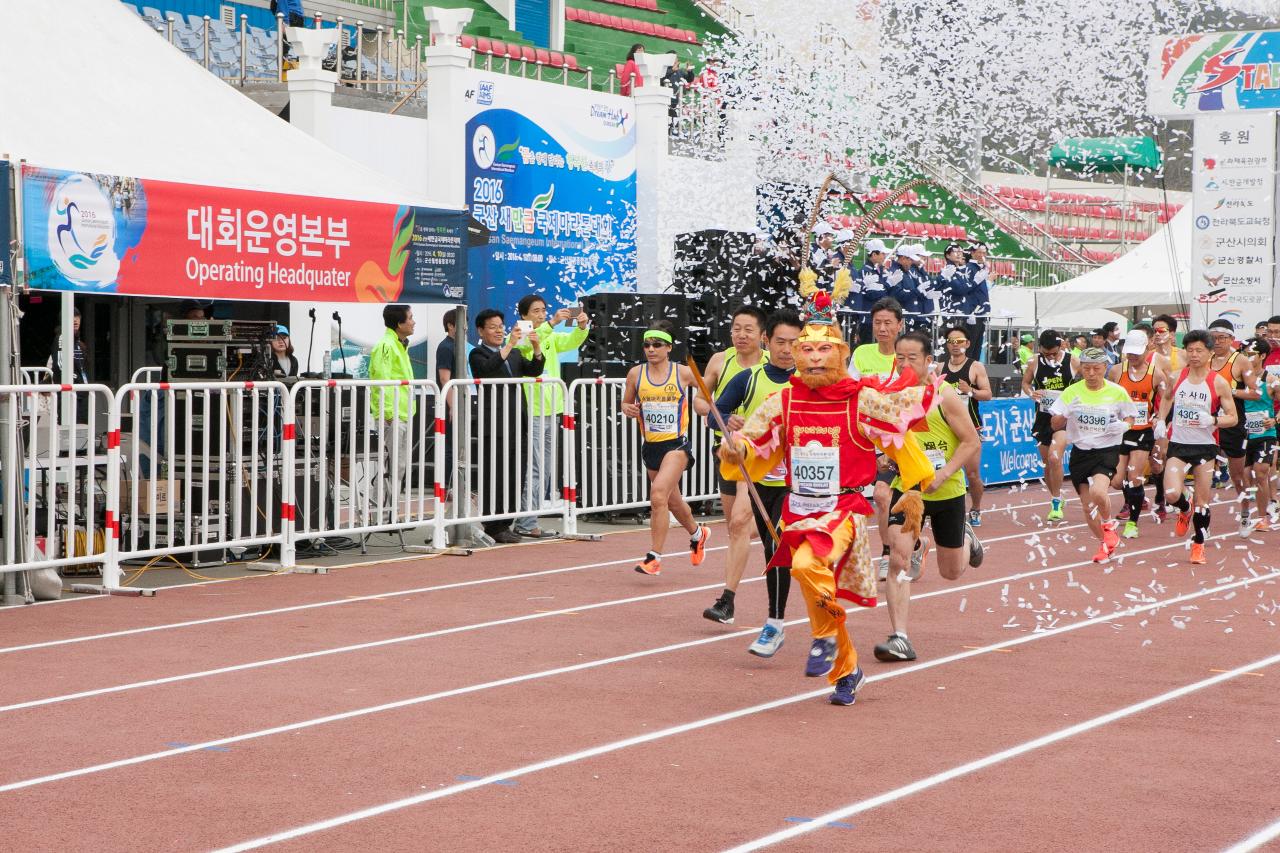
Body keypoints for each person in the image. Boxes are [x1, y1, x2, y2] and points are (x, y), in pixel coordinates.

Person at [719, 272, 940, 705]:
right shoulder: (784, 399)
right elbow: (755, 438)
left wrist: (913, 490)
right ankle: (848, 668)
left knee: (804, 567)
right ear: (796, 355)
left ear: (839, 354)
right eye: (808, 350)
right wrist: (736, 449)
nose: (815, 359)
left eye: (824, 350)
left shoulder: (860, 399)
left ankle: (824, 643)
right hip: (797, 510)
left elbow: (903, 436)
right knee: (815, 590)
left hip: (844, 509)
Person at [874, 331, 984, 663]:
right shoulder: (890, 396)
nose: (906, 364)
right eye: (900, 358)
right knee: (898, 559)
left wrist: (944, 473)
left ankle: (965, 538)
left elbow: (970, 442)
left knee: (951, 571)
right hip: (908, 490)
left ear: (927, 361)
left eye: (913, 358)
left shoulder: (943, 395)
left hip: (946, 489)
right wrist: (885, 458)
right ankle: (900, 637)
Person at [707, 310, 803, 657]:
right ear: (768, 342)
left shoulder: (812, 383)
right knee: (774, 549)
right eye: (781, 342)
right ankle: (775, 623)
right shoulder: (748, 379)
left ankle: (784, 622)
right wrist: (727, 422)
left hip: (803, 483)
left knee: (788, 546)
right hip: (763, 480)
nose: (788, 349)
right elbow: (714, 413)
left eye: (795, 343)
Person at [621, 321, 711, 575]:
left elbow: (709, 389)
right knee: (673, 502)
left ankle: (654, 557)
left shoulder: (682, 373)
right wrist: (627, 409)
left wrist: (711, 408)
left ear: (669, 347)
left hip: (677, 445)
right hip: (651, 446)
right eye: (647, 345)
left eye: (657, 345)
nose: (651, 349)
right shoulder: (635, 374)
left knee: (658, 494)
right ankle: (698, 533)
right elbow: (626, 404)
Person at [697, 306, 767, 622]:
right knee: (735, 526)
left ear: (762, 335)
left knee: (740, 524)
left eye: (748, 329)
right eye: (736, 328)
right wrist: (724, 416)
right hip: (728, 456)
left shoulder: (774, 365)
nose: (741, 335)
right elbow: (702, 400)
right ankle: (773, 526)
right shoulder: (719, 361)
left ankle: (727, 600)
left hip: (767, 458)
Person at [1154, 329, 1238, 564]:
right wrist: (1161, 419)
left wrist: (1213, 420)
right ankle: (1184, 506)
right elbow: (1168, 397)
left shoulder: (1218, 382)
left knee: (1203, 501)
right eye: (1190, 350)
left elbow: (1233, 417)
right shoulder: (1176, 376)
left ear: (1210, 353)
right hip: (1179, 444)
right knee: (1171, 493)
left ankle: (1198, 545)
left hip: (1205, 447)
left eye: (1199, 350)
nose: (1193, 355)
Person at [510, 295, 591, 539]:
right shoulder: (519, 332)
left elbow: (570, 342)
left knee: (544, 467)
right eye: (536, 311)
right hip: (532, 410)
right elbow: (525, 347)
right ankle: (526, 522)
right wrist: (553, 322)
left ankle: (530, 519)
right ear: (524, 315)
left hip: (550, 408)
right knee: (534, 467)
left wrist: (582, 326)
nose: (541, 314)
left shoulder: (550, 334)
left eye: (544, 310)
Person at [1050, 348, 1137, 563]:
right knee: (1088, 507)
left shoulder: (1117, 392)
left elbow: (1131, 417)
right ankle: (1104, 544)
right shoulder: (1072, 392)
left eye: (1096, 369)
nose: (1091, 373)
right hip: (1081, 451)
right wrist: (1066, 413)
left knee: (1099, 491)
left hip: (1106, 450)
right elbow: (1054, 424)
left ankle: (1108, 524)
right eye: (1086, 368)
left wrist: (1123, 427)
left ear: (1105, 368)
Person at [848, 298, 914, 579]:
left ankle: (895, 550)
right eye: (877, 323)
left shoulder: (906, 357)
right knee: (878, 499)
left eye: (888, 322)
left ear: (900, 325)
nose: (883, 328)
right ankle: (892, 548)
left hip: (900, 441)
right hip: (867, 439)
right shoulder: (862, 353)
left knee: (886, 497)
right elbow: (850, 390)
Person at [469, 308, 546, 545]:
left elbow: (534, 370)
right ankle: (493, 523)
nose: (499, 330)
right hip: (494, 425)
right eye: (493, 327)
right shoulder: (478, 354)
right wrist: (510, 344)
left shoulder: (513, 355)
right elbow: (488, 368)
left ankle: (508, 522)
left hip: (517, 423)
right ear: (480, 331)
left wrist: (535, 348)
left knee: (516, 473)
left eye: (501, 326)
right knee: (496, 473)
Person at [1108, 330, 1167, 539]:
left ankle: (1133, 522)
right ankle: (1137, 498)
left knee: (1134, 477)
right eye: (1129, 353)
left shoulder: (1156, 374)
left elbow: (1167, 399)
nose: (1132, 357)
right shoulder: (1116, 371)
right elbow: (1108, 397)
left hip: (1142, 433)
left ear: (1146, 350)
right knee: (1116, 481)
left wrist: (1160, 418)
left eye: (1137, 353)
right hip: (1120, 431)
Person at [1208, 319, 1259, 534]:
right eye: (1213, 337)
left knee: (1238, 476)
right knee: (1203, 474)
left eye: (1222, 337)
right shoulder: (1204, 358)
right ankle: (1202, 521)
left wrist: (1230, 391)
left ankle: (1246, 513)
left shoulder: (1241, 361)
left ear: (1231, 339)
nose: (1217, 341)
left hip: (1233, 424)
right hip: (1207, 423)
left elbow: (1255, 393)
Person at [1022, 329, 1078, 522]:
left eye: (1054, 353)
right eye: (1046, 354)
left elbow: (1085, 384)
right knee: (1047, 462)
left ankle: (1055, 502)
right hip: (1043, 418)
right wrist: (1031, 393)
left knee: (1055, 458)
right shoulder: (1035, 362)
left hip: (1063, 418)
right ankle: (1056, 495)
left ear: (1061, 346)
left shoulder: (1072, 361)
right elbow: (1026, 383)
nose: (1050, 357)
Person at [940, 325, 992, 526]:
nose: (955, 346)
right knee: (940, 469)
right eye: (951, 342)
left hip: (970, 427)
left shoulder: (975, 367)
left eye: (959, 342)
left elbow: (987, 394)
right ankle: (943, 508)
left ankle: (976, 508)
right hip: (944, 428)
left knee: (971, 473)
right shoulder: (939, 367)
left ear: (967, 344)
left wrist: (969, 391)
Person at [368, 304, 418, 509]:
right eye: (410, 318)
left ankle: (389, 509)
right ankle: (384, 509)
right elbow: (382, 381)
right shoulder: (386, 345)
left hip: (402, 413)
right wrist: (387, 413)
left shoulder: (398, 344)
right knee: (392, 464)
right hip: (393, 415)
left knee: (398, 465)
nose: (414, 322)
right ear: (399, 323)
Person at [1241, 337, 1279, 531]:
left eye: (1250, 354)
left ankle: (1263, 517)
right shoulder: (1239, 380)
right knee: (1245, 475)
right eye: (1244, 353)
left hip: (1265, 433)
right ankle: (1246, 514)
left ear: (1262, 356)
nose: (1246, 357)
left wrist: (1275, 419)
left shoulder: (1271, 381)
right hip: (1244, 434)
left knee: (1261, 472)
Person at [851, 239, 888, 343]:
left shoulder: (877, 270)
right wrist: (887, 286)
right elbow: (870, 294)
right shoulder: (865, 271)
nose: (884, 256)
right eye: (882, 253)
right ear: (874, 254)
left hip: (875, 316)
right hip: (867, 317)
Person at [961, 242, 991, 361]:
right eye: (979, 252)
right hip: (973, 312)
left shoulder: (980, 268)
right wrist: (970, 311)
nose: (982, 255)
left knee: (977, 347)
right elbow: (967, 290)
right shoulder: (969, 268)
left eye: (984, 253)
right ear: (973, 253)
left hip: (982, 312)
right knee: (971, 346)